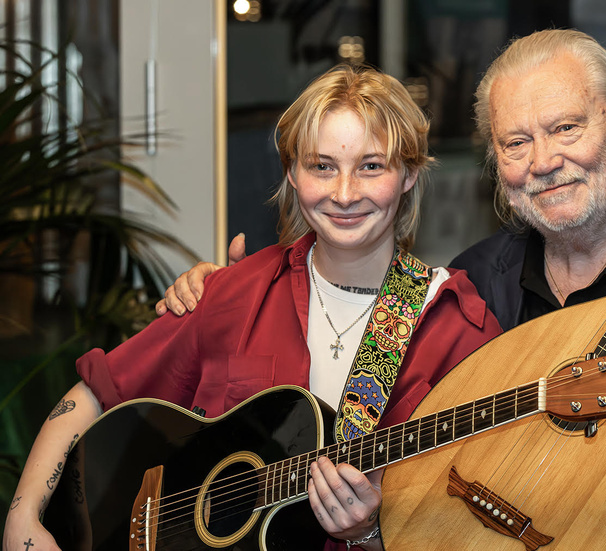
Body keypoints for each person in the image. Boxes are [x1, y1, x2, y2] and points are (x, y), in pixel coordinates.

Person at [156, 30, 606, 551]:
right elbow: (423, 459)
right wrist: (212, 294)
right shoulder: (478, 284)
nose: (544, 161)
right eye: (516, 142)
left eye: (566, 127)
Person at [2, 64, 501, 551]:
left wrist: (368, 535)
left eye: (371, 166)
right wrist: (22, 517)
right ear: (291, 172)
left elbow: (477, 526)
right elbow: (92, 395)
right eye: (321, 166)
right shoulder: (235, 292)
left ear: (409, 174)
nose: (344, 194)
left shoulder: (457, 328)